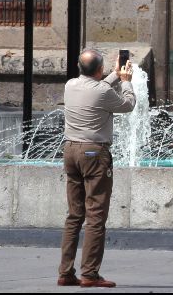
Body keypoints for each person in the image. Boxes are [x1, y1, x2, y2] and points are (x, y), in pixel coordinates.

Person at [58, 49, 136, 288]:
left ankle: (65, 272)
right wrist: (126, 82)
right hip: (93, 153)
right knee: (95, 216)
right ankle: (89, 273)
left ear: (80, 68)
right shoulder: (103, 90)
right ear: (99, 70)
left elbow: (97, 89)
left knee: (74, 215)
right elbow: (128, 105)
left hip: (70, 151)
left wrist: (114, 74)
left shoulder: (70, 85)